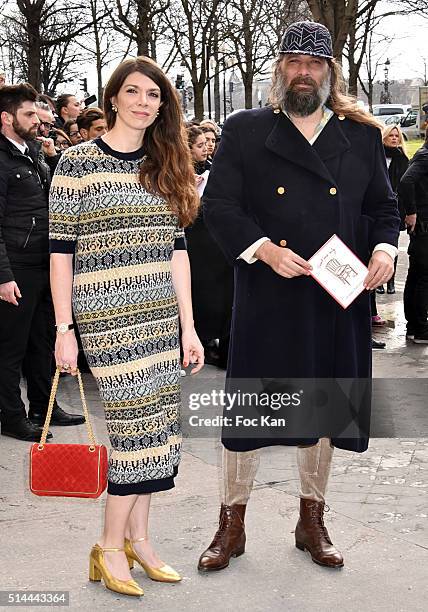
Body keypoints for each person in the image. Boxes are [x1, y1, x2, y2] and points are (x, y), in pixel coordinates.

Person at [199, 21, 400, 572]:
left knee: (325, 405)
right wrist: (263, 249)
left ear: (329, 72)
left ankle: (311, 519)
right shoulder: (244, 129)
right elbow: (218, 206)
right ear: (279, 70)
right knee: (249, 414)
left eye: (313, 64)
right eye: (293, 62)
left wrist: (385, 250)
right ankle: (231, 524)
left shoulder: (359, 135)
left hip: (335, 296)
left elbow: (384, 208)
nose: (303, 73)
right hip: (269, 293)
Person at [49, 56, 204, 597]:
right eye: (133, 92)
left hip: (161, 316)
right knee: (135, 432)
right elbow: (61, 253)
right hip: (107, 319)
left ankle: (140, 539)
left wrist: (189, 326)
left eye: (154, 95)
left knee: (159, 430)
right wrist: (63, 326)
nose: (144, 101)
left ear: (163, 106)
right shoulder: (77, 164)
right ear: (113, 97)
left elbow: (177, 251)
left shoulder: (166, 164)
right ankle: (110, 546)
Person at [0, 83, 84, 442]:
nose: (38, 120)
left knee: (42, 341)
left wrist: (50, 158)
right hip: (16, 266)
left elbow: (51, 200)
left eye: (38, 113)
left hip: (43, 262)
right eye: (29, 114)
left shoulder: (33, 152)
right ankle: (12, 416)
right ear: (6, 118)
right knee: (11, 349)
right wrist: (3, 276)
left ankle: (44, 406)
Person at [185, 125, 233, 369]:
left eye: (210, 143)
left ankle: (218, 343)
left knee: (220, 295)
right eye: (201, 145)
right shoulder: (180, 171)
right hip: (193, 240)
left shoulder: (212, 168)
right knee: (201, 294)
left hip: (215, 240)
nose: (208, 148)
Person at [399, 126, 428, 343]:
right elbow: (406, 181)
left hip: (422, 226)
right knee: (421, 279)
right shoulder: (425, 156)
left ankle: (414, 326)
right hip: (423, 227)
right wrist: (411, 212)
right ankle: (419, 329)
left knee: (417, 277)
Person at [375, 125, 409, 294]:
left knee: (391, 244)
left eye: (397, 136)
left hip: (396, 207)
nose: (394, 138)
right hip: (378, 206)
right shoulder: (377, 154)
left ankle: (391, 280)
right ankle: (379, 280)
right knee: (377, 243)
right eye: (391, 135)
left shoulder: (403, 159)